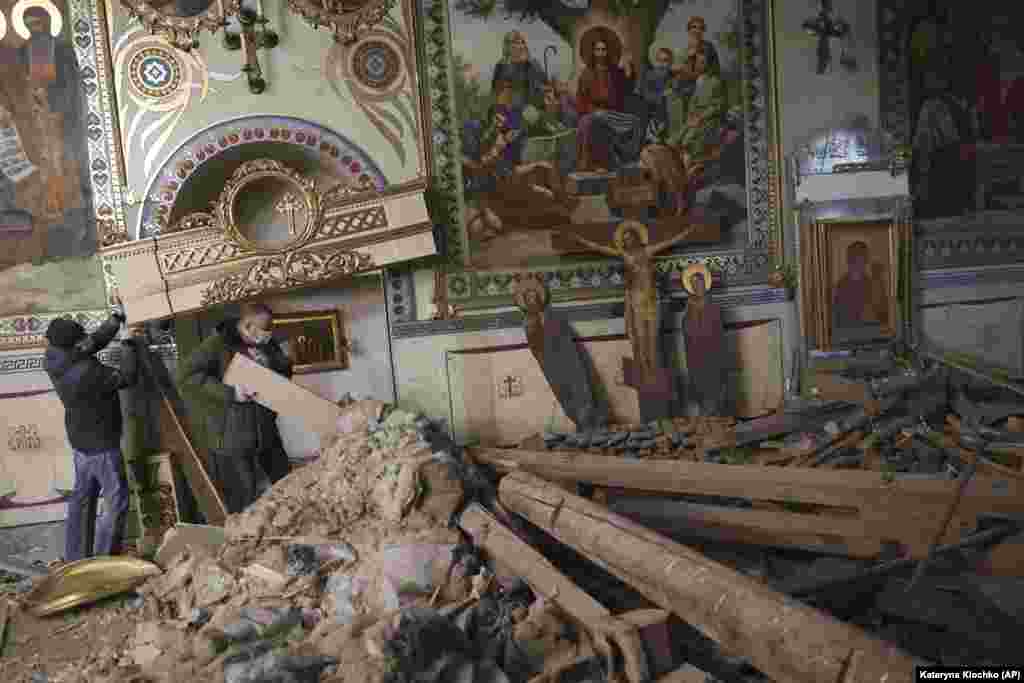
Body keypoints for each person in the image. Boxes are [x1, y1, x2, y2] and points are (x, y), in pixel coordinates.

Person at [44, 296, 141, 562]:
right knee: (116, 501)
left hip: (80, 440)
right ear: (75, 345)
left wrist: (115, 321)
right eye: (81, 339)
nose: (86, 341)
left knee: (83, 498)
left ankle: (77, 557)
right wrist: (128, 343)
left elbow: (88, 345)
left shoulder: (54, 357)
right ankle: (103, 561)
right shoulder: (88, 373)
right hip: (102, 445)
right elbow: (128, 377)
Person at [177, 302, 293, 513]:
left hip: (266, 429)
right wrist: (231, 393)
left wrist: (278, 362)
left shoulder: (267, 344)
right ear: (248, 326)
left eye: (270, 329)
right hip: (234, 436)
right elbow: (185, 376)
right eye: (265, 329)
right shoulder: (217, 344)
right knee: (247, 501)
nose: (269, 334)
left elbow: (284, 376)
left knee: (288, 486)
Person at [575, 28, 639, 172]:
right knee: (594, 121)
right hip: (593, 113)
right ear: (593, 52)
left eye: (603, 49)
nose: (601, 52)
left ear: (607, 51)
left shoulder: (616, 72)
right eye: (598, 49)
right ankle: (596, 164)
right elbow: (580, 101)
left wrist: (629, 69)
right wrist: (593, 112)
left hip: (613, 113)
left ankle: (627, 159)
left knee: (635, 122)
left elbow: (627, 89)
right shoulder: (586, 74)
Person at [681, 263, 725, 415]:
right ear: (691, 287)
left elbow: (717, 331)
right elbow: (687, 330)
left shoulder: (714, 307)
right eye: (694, 284)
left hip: (712, 358)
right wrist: (692, 314)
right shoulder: (689, 308)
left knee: (713, 397)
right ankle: (706, 421)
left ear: (705, 284)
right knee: (702, 396)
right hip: (696, 359)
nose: (697, 286)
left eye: (700, 283)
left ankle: (714, 421)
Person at [832, 241, 890, 332]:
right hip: (848, 331)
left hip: (869, 331)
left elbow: (881, 313)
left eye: (863, 258)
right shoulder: (842, 285)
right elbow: (839, 315)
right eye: (856, 258)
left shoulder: (871, 283)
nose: (860, 263)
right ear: (850, 260)